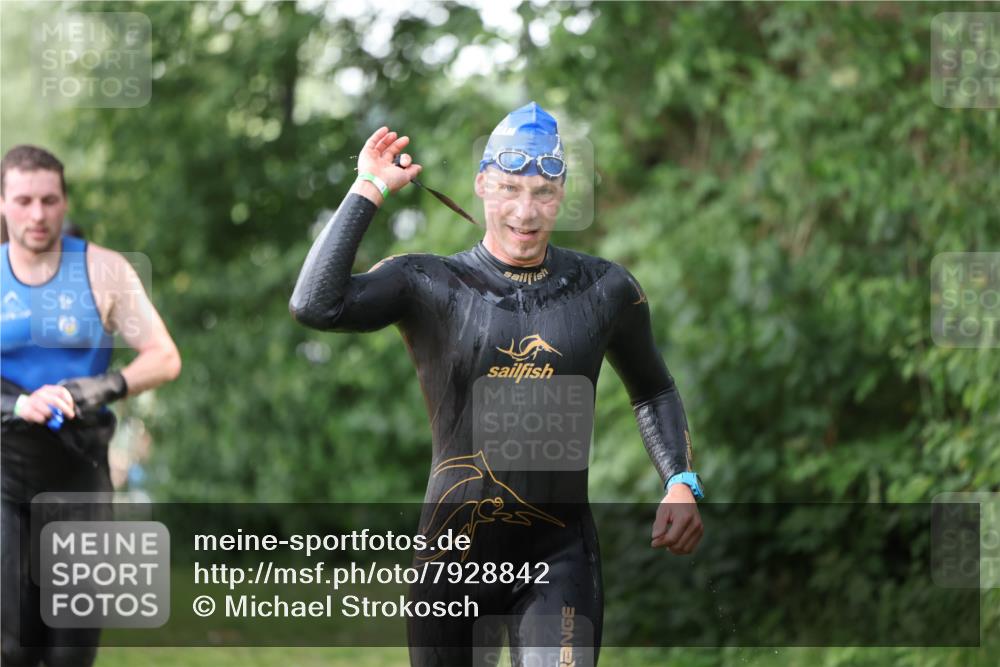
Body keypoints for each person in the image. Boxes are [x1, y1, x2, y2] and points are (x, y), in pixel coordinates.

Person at [290, 102, 704, 666]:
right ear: (482, 184)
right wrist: (369, 187)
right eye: (510, 188)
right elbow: (315, 305)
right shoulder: (429, 282)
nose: (525, 211)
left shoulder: (604, 290)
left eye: (542, 192)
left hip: (561, 556)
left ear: (563, 195)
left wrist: (680, 480)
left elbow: (653, 389)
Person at [0, 145, 181, 666]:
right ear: (4, 203)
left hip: (79, 473)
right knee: (10, 646)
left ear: (64, 201)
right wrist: (17, 403)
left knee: (70, 653)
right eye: (24, 200)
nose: (37, 215)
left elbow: (164, 358)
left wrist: (96, 388)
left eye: (50, 200)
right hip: (6, 472)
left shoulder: (104, 270)